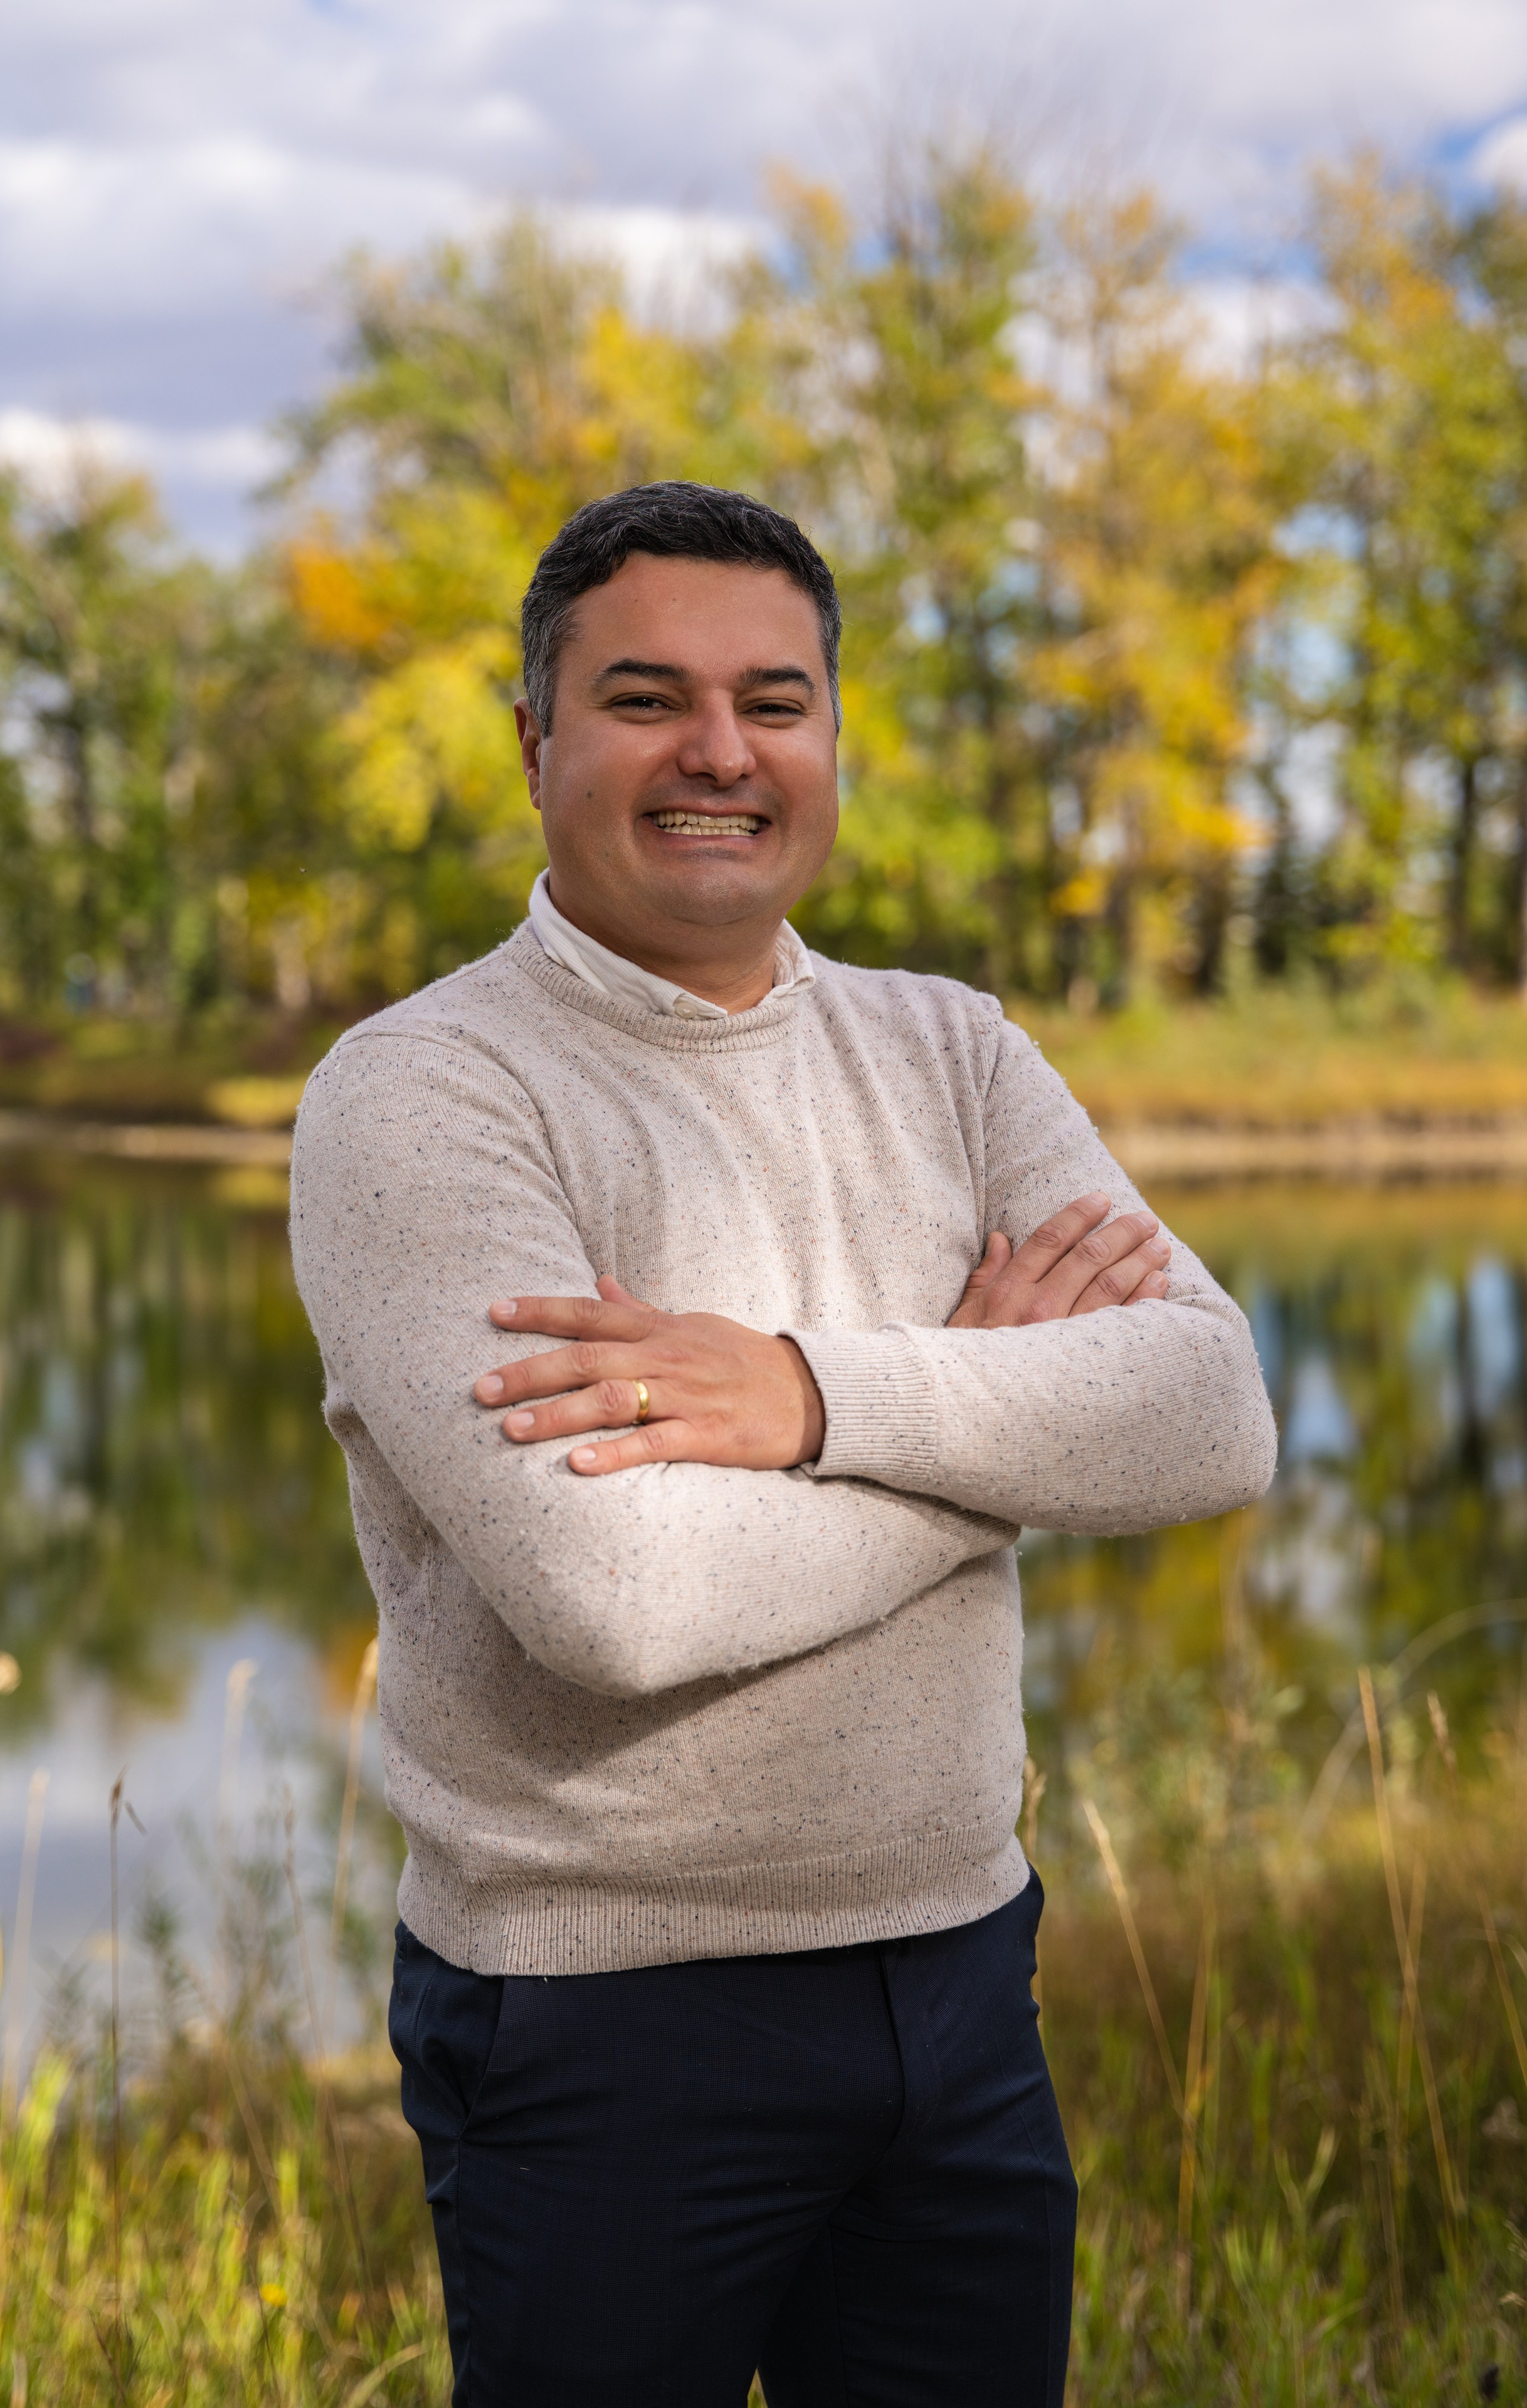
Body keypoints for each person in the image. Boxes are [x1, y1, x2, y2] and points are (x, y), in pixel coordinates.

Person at [289, 481, 1277, 2408]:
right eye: (648, 697)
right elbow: (623, 1598)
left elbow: (1210, 1412)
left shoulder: (955, 1047)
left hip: (966, 1971)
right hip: (597, 2026)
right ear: (535, 742)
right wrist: (995, 1452)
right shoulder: (420, 1093)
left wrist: (821, 1397)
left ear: (833, 733)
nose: (723, 753)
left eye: (778, 699)